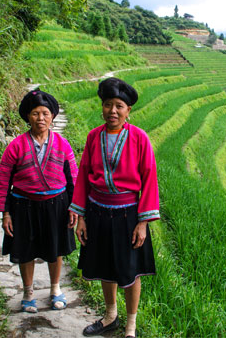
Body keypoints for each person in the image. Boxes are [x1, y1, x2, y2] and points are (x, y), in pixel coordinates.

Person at [68, 77, 160, 338]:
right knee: (105, 266)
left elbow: (149, 178)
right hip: (97, 212)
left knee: (130, 270)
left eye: (119, 105)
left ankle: (130, 324)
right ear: (102, 107)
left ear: (128, 110)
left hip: (128, 215)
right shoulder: (93, 136)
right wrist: (81, 216)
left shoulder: (140, 138)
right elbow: (84, 174)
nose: (113, 111)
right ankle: (110, 316)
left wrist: (142, 223)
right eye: (108, 104)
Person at [0, 90, 77, 313]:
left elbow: (73, 177)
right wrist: (5, 213)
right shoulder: (16, 146)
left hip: (56, 205)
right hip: (23, 206)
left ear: (52, 117)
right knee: (25, 250)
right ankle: (28, 292)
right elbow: (2, 181)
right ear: (28, 117)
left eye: (45, 113)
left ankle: (55, 289)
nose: (41, 118)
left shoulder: (62, 145)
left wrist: (75, 207)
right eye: (35, 113)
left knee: (55, 249)